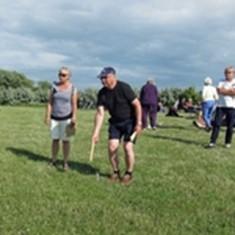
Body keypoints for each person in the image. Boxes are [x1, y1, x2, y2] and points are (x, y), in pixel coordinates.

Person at [91, 67, 142, 185]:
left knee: (127, 147)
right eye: (101, 78)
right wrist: (96, 133)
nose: (103, 80)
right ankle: (115, 171)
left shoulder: (124, 88)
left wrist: (139, 123)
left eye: (105, 77)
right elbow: (100, 113)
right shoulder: (102, 93)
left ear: (113, 76)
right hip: (115, 122)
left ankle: (129, 173)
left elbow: (137, 105)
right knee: (112, 146)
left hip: (130, 121)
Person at [45, 67, 78, 170]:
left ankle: (65, 162)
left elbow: (74, 104)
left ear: (69, 77)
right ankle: (53, 160)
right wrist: (47, 116)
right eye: (59, 74)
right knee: (55, 140)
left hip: (66, 117)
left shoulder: (73, 88)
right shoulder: (53, 87)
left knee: (65, 141)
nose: (61, 76)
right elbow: (50, 102)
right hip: (54, 117)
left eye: (63, 75)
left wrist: (74, 117)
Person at [208, 66, 235, 148]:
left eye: (229, 72)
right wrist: (229, 91)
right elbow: (219, 91)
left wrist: (225, 91)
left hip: (232, 107)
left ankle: (227, 142)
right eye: (226, 72)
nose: (227, 74)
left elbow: (234, 93)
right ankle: (212, 142)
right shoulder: (221, 81)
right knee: (217, 124)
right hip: (220, 106)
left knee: (230, 126)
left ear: (233, 74)